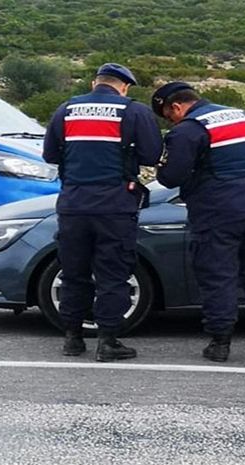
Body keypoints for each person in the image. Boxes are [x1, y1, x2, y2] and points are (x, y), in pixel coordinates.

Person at [151, 82, 245, 362]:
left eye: (169, 116)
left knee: (218, 277)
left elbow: (171, 177)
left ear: (176, 107)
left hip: (219, 211)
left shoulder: (188, 130)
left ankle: (220, 343)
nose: (172, 122)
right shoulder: (241, 115)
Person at [43, 63, 162, 362]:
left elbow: (50, 155)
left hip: (73, 204)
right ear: (124, 86)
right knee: (113, 273)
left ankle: (72, 338)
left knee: (73, 272)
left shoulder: (66, 110)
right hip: (114, 205)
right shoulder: (133, 112)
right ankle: (108, 341)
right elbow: (151, 155)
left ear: (95, 82)